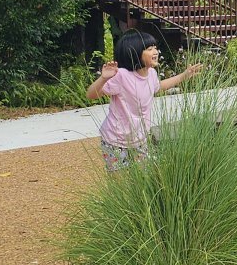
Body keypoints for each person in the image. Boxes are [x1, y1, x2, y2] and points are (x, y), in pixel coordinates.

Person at [86, 30, 203, 170]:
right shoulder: (122, 76)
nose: (156, 51)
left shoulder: (151, 74)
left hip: (140, 138)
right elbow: (91, 95)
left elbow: (158, 87)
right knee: (118, 179)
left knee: (143, 175)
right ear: (134, 52)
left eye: (155, 47)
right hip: (115, 139)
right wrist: (104, 78)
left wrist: (184, 75)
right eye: (149, 49)